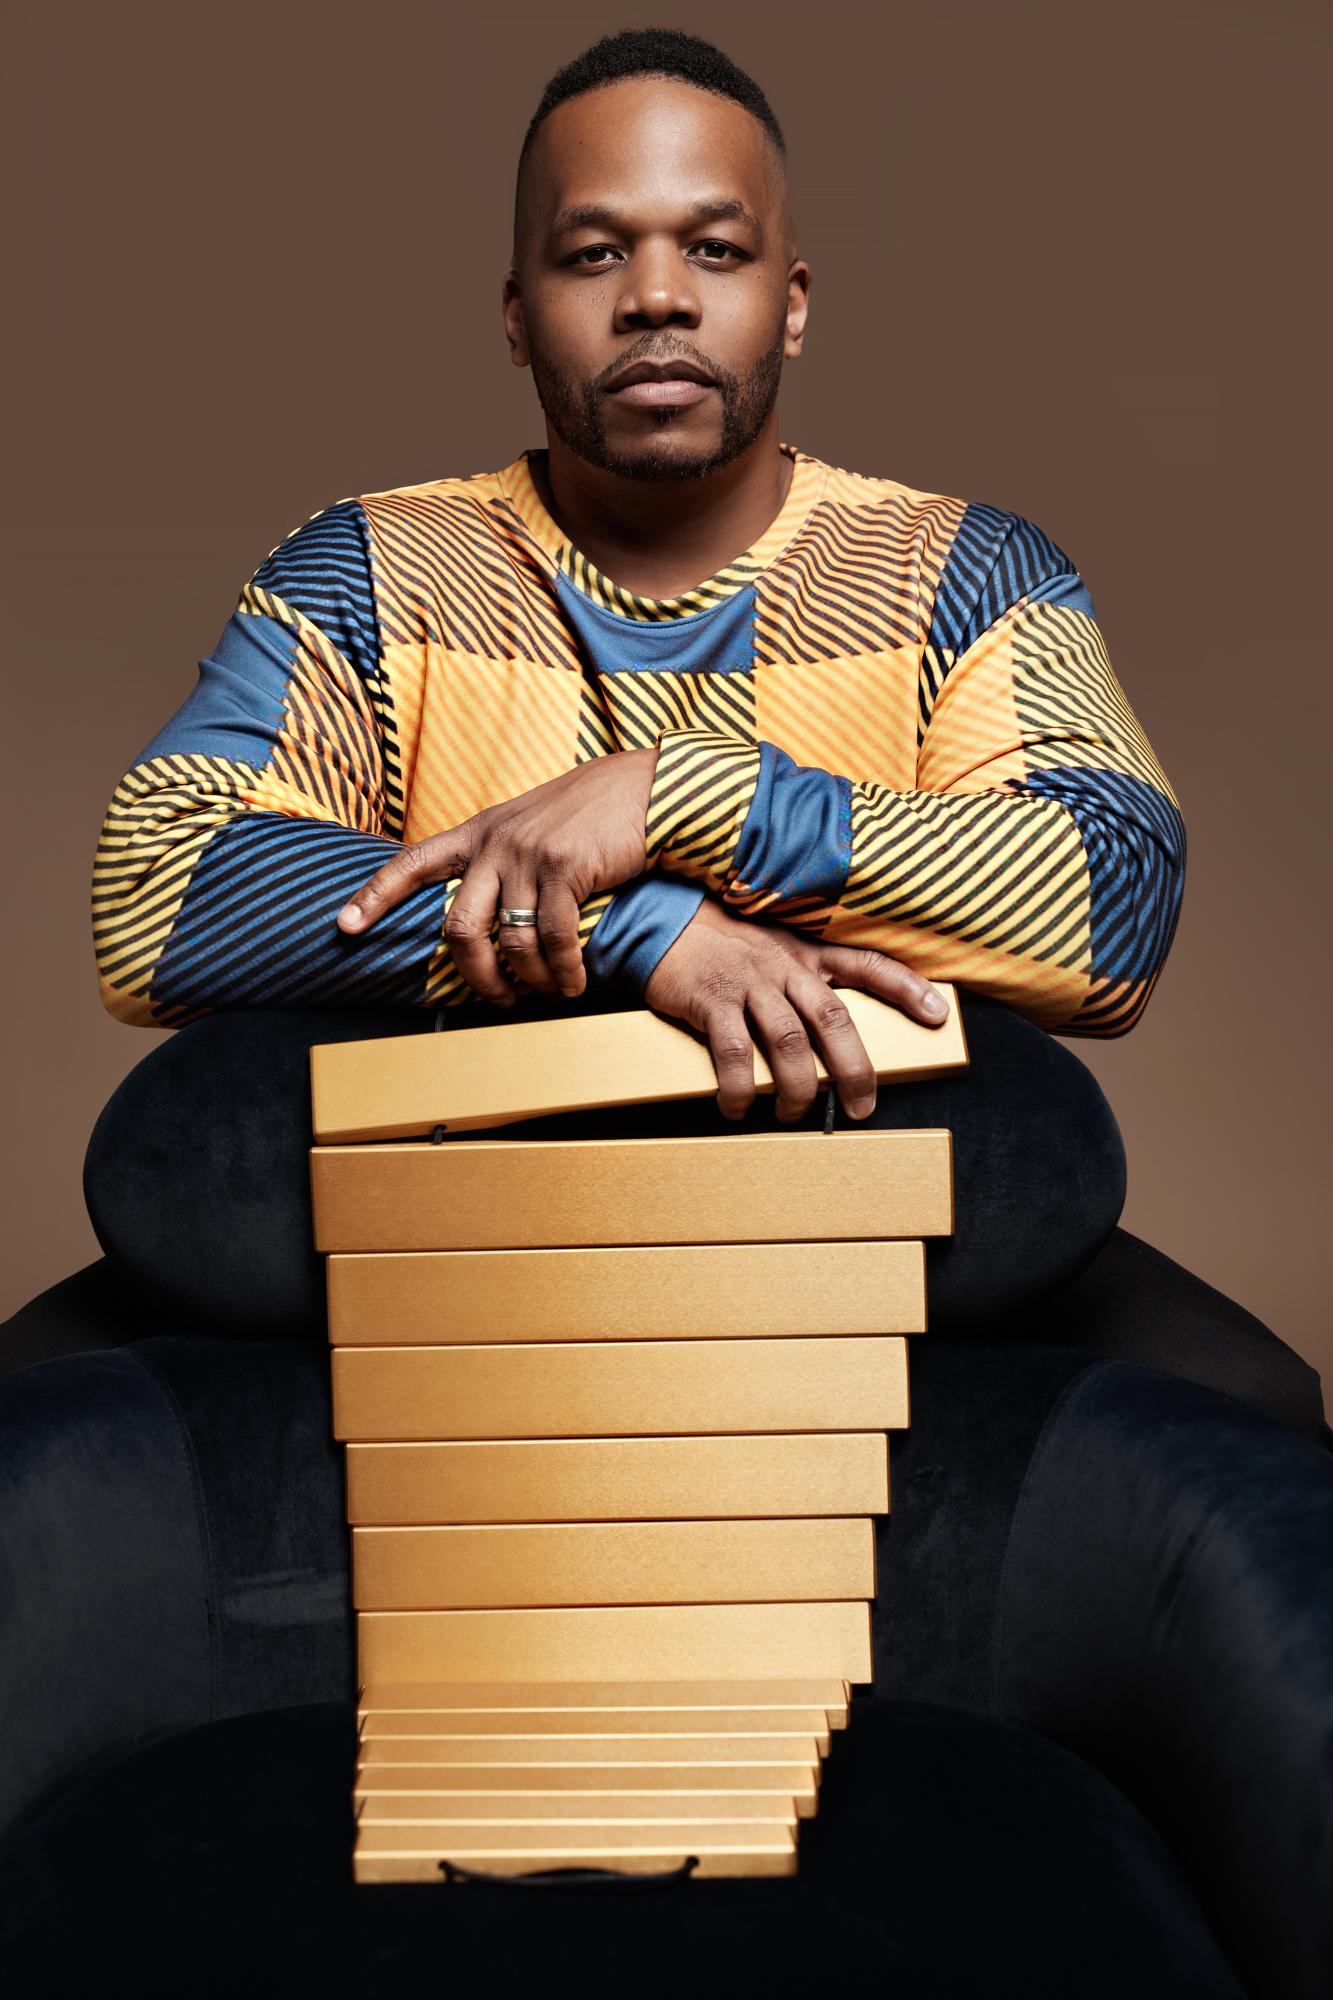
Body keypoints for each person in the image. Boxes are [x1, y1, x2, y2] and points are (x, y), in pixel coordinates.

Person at [84, 28, 1184, 1340]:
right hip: (452, 1258)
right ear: (515, 315)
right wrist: (638, 933)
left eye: (713, 250)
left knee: (1240, 1407)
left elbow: (1114, 902)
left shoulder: (965, 572)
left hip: (847, 1251)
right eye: (595, 253)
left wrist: (676, 800)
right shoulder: (370, 570)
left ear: (792, 300)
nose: (656, 297)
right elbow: (155, 890)